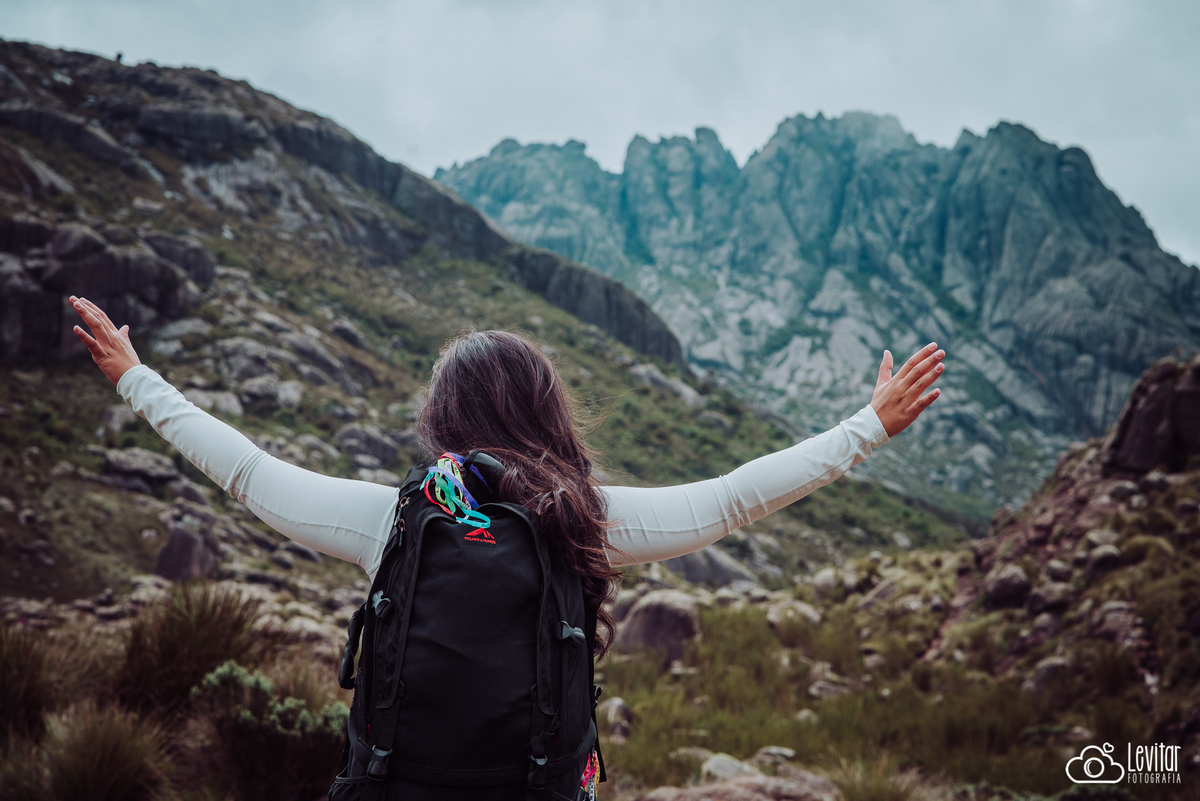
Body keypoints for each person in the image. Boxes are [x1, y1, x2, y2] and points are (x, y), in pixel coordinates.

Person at [69, 294, 943, 790]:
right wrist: (867, 426)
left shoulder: (398, 520)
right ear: (546, 411)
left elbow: (248, 473)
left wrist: (136, 378)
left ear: (442, 418)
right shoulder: (583, 520)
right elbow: (731, 501)